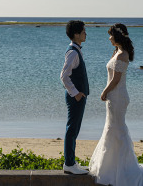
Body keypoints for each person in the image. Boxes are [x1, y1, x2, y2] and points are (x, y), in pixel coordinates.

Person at [89, 23, 143, 186]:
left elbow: (115, 80)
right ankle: (111, 168)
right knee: (112, 129)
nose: (109, 38)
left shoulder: (123, 55)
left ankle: (122, 170)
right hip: (114, 97)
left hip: (117, 97)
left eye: (110, 35)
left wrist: (104, 92)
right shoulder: (117, 52)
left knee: (116, 129)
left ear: (117, 36)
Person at [60, 19, 90, 174]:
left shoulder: (77, 50)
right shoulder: (72, 52)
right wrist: (76, 93)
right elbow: (64, 76)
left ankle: (71, 162)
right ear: (76, 34)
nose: (86, 33)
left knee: (74, 129)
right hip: (75, 97)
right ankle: (69, 164)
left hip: (78, 96)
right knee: (72, 129)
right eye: (84, 31)